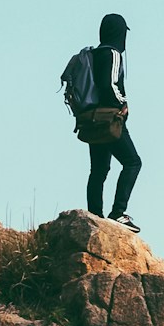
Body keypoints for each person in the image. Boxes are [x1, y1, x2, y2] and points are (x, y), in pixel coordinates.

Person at [63, 12, 141, 231]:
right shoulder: (113, 54)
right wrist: (123, 104)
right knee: (133, 162)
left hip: (90, 118)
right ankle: (118, 213)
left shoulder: (91, 55)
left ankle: (94, 216)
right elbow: (110, 84)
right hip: (109, 118)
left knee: (98, 169)